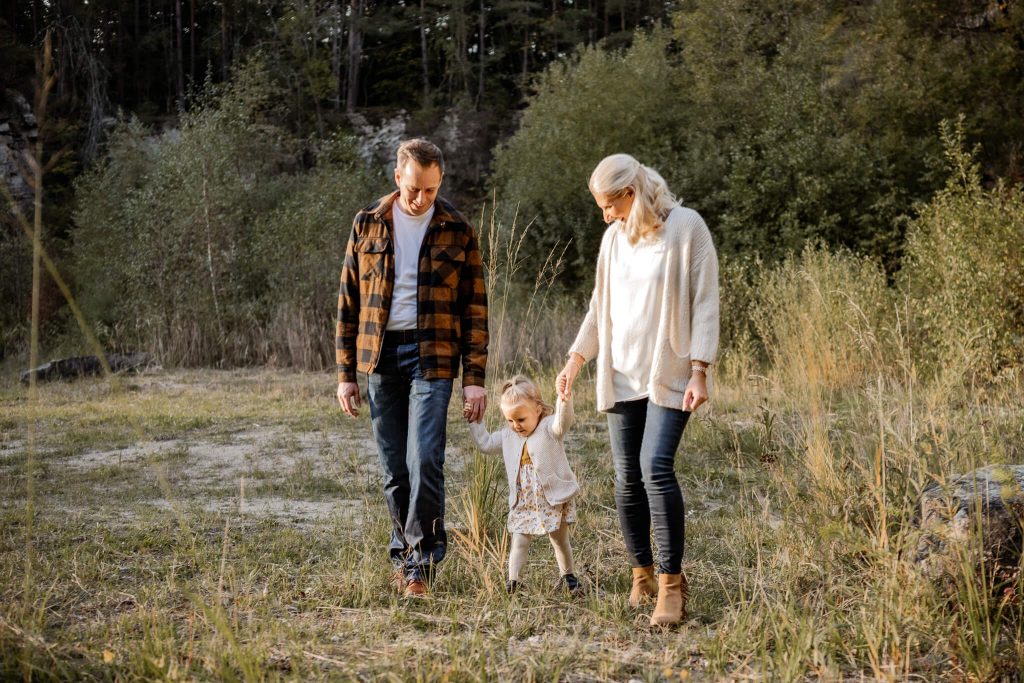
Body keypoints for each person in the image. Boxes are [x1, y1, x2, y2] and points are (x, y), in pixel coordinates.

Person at [556, 153, 719, 626]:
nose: (604, 216)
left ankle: (671, 585)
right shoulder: (612, 240)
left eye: (609, 205)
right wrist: (575, 358)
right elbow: (598, 307)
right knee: (626, 477)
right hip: (621, 374)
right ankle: (641, 575)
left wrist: (700, 369)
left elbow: (706, 302)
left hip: (667, 375)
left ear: (631, 193)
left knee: (655, 468)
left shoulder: (686, 228)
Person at [336, 138, 488, 598]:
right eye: (415, 189)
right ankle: (402, 555)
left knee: (425, 459)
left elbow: (475, 309)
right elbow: (347, 301)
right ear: (398, 177)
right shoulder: (367, 224)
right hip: (380, 356)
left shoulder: (457, 228)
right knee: (393, 466)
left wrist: (474, 380)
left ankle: (420, 565)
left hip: (434, 355)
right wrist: (345, 373)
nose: (422, 199)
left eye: (431, 189)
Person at [469, 375, 582, 595]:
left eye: (520, 419)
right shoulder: (508, 436)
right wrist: (474, 420)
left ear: (538, 410)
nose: (515, 426)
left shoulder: (549, 427)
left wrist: (564, 400)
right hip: (524, 501)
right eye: (510, 420)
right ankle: (514, 581)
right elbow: (484, 444)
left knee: (559, 539)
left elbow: (563, 422)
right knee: (519, 541)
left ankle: (568, 577)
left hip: (552, 499)